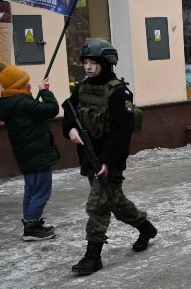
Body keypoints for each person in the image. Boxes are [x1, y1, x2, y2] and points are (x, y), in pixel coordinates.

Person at [62, 40, 158, 275]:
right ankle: (146, 228)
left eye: (93, 63)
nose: (88, 67)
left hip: (108, 159)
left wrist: (107, 160)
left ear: (106, 64)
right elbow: (70, 112)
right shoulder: (82, 87)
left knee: (97, 205)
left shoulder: (118, 92)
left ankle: (92, 256)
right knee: (114, 201)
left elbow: (121, 132)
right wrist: (70, 130)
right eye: (85, 62)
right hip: (88, 156)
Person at [0, 63, 60, 241]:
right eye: (25, 83)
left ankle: (32, 222)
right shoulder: (24, 104)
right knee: (41, 191)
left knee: (31, 190)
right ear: (18, 86)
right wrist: (45, 91)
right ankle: (31, 228)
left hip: (27, 155)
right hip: (36, 155)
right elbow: (51, 109)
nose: (28, 86)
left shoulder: (11, 104)